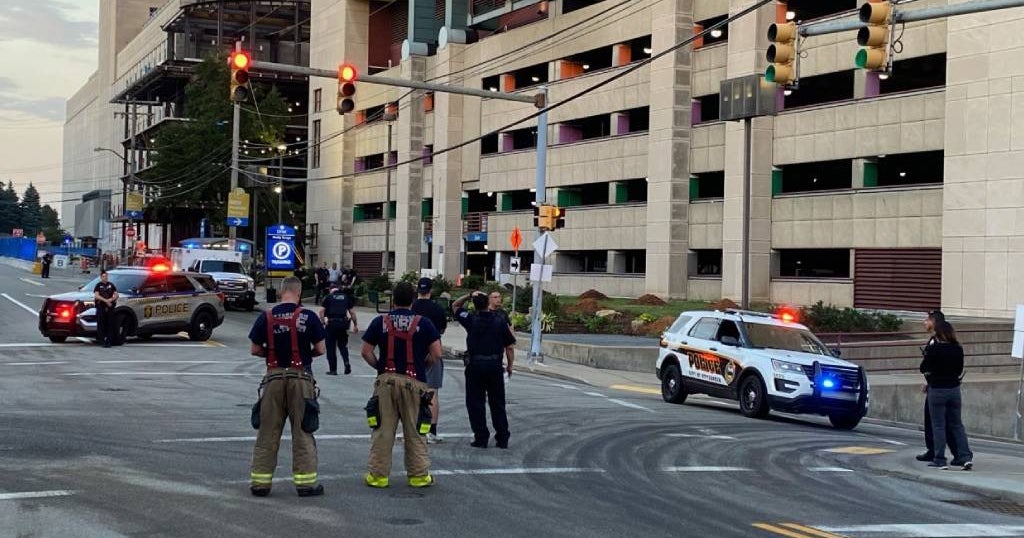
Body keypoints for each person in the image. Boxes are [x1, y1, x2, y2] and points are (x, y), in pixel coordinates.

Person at [247, 277, 327, 497]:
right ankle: (306, 485)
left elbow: (254, 349)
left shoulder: (267, 317)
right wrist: (303, 356)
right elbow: (320, 349)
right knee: (302, 431)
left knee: (267, 431)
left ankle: (260, 484)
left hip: (273, 379)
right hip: (300, 379)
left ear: (282, 292)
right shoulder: (308, 317)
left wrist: (271, 355)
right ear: (299, 294)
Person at [361, 282, 442, 488]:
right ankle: (418, 475)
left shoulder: (380, 322)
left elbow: (366, 351)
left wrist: (379, 367)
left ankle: (378, 476)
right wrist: (423, 365)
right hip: (414, 382)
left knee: (382, 430)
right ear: (413, 300)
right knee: (415, 431)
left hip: (386, 382)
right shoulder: (424, 323)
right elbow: (437, 354)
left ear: (393, 300)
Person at [452, 290, 516, 449]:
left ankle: (481, 437)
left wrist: (468, 295)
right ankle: (502, 437)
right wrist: (510, 365)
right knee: (497, 403)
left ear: (475, 306)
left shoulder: (471, 319)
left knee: (475, 402)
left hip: (475, 365)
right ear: (488, 304)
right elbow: (509, 346)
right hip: (494, 365)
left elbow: (455, 305)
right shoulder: (500, 321)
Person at [920, 321, 974, 471]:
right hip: (954, 389)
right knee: (957, 425)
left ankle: (940, 459)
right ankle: (965, 457)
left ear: (938, 333)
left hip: (937, 389)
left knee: (938, 426)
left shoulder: (934, 349)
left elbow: (923, 368)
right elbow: (958, 370)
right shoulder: (958, 348)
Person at [916, 310, 961, 464]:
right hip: (947, 386)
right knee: (948, 423)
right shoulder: (953, 345)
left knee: (938, 423)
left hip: (939, 387)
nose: (925, 323)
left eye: (927, 320)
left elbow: (929, 366)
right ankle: (957, 454)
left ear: (934, 322)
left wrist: (930, 380)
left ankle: (940, 454)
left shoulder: (936, 343)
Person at [411, 278, 448, 444]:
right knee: (432, 392)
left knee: (410, 392)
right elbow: (442, 329)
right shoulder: (437, 309)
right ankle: (431, 431)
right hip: (433, 351)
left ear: (418, 290)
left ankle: (410, 429)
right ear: (431, 291)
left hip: (412, 352)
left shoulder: (412, 307)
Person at [319, 283, 359, 375]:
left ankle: (333, 370)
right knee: (342, 345)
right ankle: (346, 362)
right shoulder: (346, 297)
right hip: (343, 324)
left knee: (331, 347)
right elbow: (352, 313)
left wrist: (323, 322)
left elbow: (321, 311)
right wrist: (355, 325)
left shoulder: (328, 297)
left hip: (332, 324)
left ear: (330, 289)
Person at [93, 270, 119, 348]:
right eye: (104, 276)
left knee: (110, 324)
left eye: (106, 276)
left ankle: (109, 342)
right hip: (101, 307)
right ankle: (102, 341)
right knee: (101, 324)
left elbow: (116, 295)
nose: (105, 278)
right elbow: (96, 296)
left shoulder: (111, 285)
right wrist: (106, 301)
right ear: (101, 277)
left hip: (110, 307)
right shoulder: (98, 285)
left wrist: (110, 300)